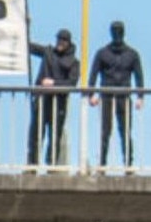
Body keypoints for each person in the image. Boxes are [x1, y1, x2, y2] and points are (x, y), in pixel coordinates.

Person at [88, 21, 144, 173]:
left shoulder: (132, 54)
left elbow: (139, 76)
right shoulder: (102, 53)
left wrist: (140, 96)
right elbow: (93, 73)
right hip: (107, 96)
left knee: (125, 130)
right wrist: (90, 93)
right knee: (106, 131)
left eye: (119, 31)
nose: (117, 34)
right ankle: (102, 165)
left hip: (124, 96)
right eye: (115, 31)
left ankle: (128, 165)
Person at [26, 29, 80, 171]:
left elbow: (72, 83)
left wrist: (54, 83)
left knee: (55, 135)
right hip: (42, 100)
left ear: (68, 43)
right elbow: (30, 47)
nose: (60, 43)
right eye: (58, 40)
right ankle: (32, 165)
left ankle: (52, 165)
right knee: (36, 133)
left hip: (59, 103)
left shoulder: (73, 62)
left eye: (63, 41)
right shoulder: (48, 52)